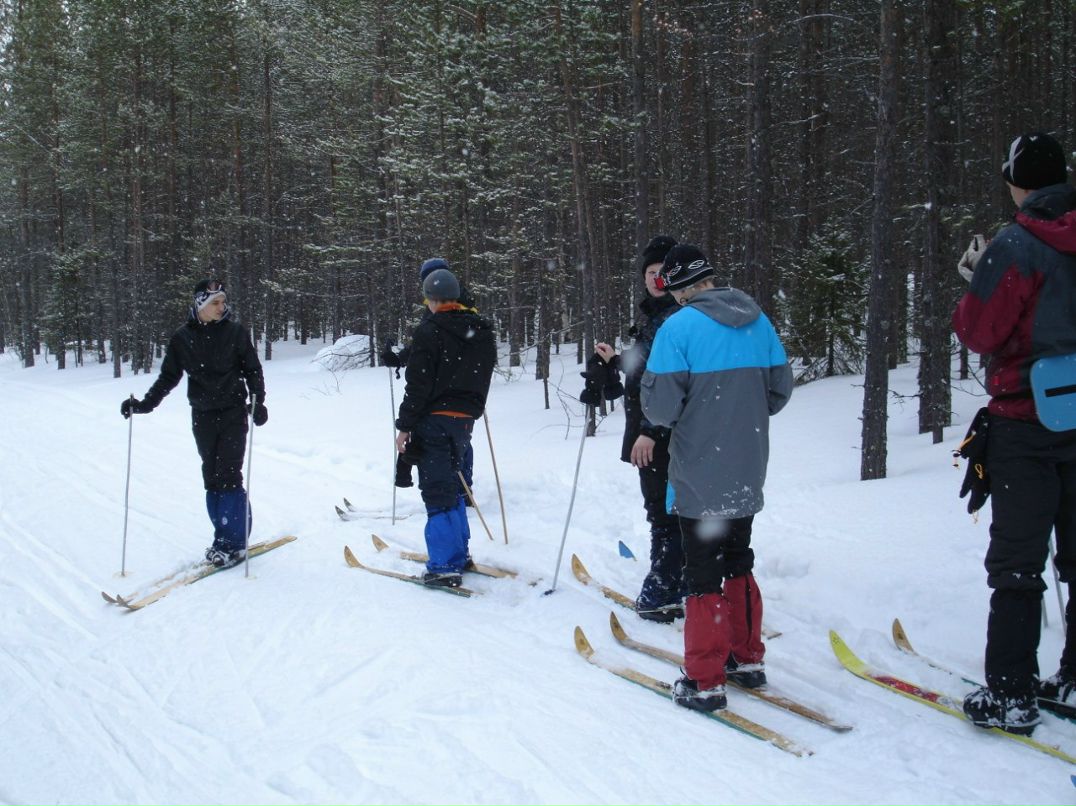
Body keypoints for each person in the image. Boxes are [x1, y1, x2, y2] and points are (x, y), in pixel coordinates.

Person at [952, 131, 1076, 735]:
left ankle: (1010, 691)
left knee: (1019, 562)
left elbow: (978, 331)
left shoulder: (1015, 245)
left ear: (1017, 182)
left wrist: (976, 275)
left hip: (1027, 420)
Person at [640, 244, 792, 712]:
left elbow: (660, 408)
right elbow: (779, 390)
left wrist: (698, 412)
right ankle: (746, 659)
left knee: (701, 567)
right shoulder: (757, 319)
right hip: (747, 462)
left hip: (699, 466)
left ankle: (704, 678)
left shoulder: (678, 327)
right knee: (738, 558)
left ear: (678, 286)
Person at [120, 279, 267, 568]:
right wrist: (144, 405)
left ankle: (234, 543)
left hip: (233, 412)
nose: (221, 306)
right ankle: (222, 537)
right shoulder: (182, 338)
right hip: (202, 414)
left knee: (229, 473)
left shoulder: (235, 333)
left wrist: (258, 401)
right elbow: (168, 377)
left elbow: (252, 369)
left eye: (223, 301)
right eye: (215, 302)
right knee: (211, 476)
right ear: (200, 304)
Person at [592, 235, 684, 622]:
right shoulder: (656, 316)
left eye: (663, 272)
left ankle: (665, 590)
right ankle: (676, 584)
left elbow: (669, 378)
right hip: (653, 428)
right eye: (649, 272)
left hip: (662, 433)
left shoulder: (675, 318)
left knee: (666, 512)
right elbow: (645, 367)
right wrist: (616, 361)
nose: (655, 278)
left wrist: (651, 429)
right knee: (666, 509)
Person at [394, 268, 496, 587]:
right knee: (453, 484)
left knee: (438, 489)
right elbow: (482, 373)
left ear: (432, 300)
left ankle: (444, 564)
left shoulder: (431, 331)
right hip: (464, 419)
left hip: (435, 418)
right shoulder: (481, 330)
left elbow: (418, 384)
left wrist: (405, 425)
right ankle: (458, 552)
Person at [383, 258, 478, 494]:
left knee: (443, 439)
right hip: (465, 387)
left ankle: (457, 489)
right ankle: (461, 487)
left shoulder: (447, 305)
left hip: (444, 388)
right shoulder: (460, 301)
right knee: (459, 438)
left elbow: (428, 347)